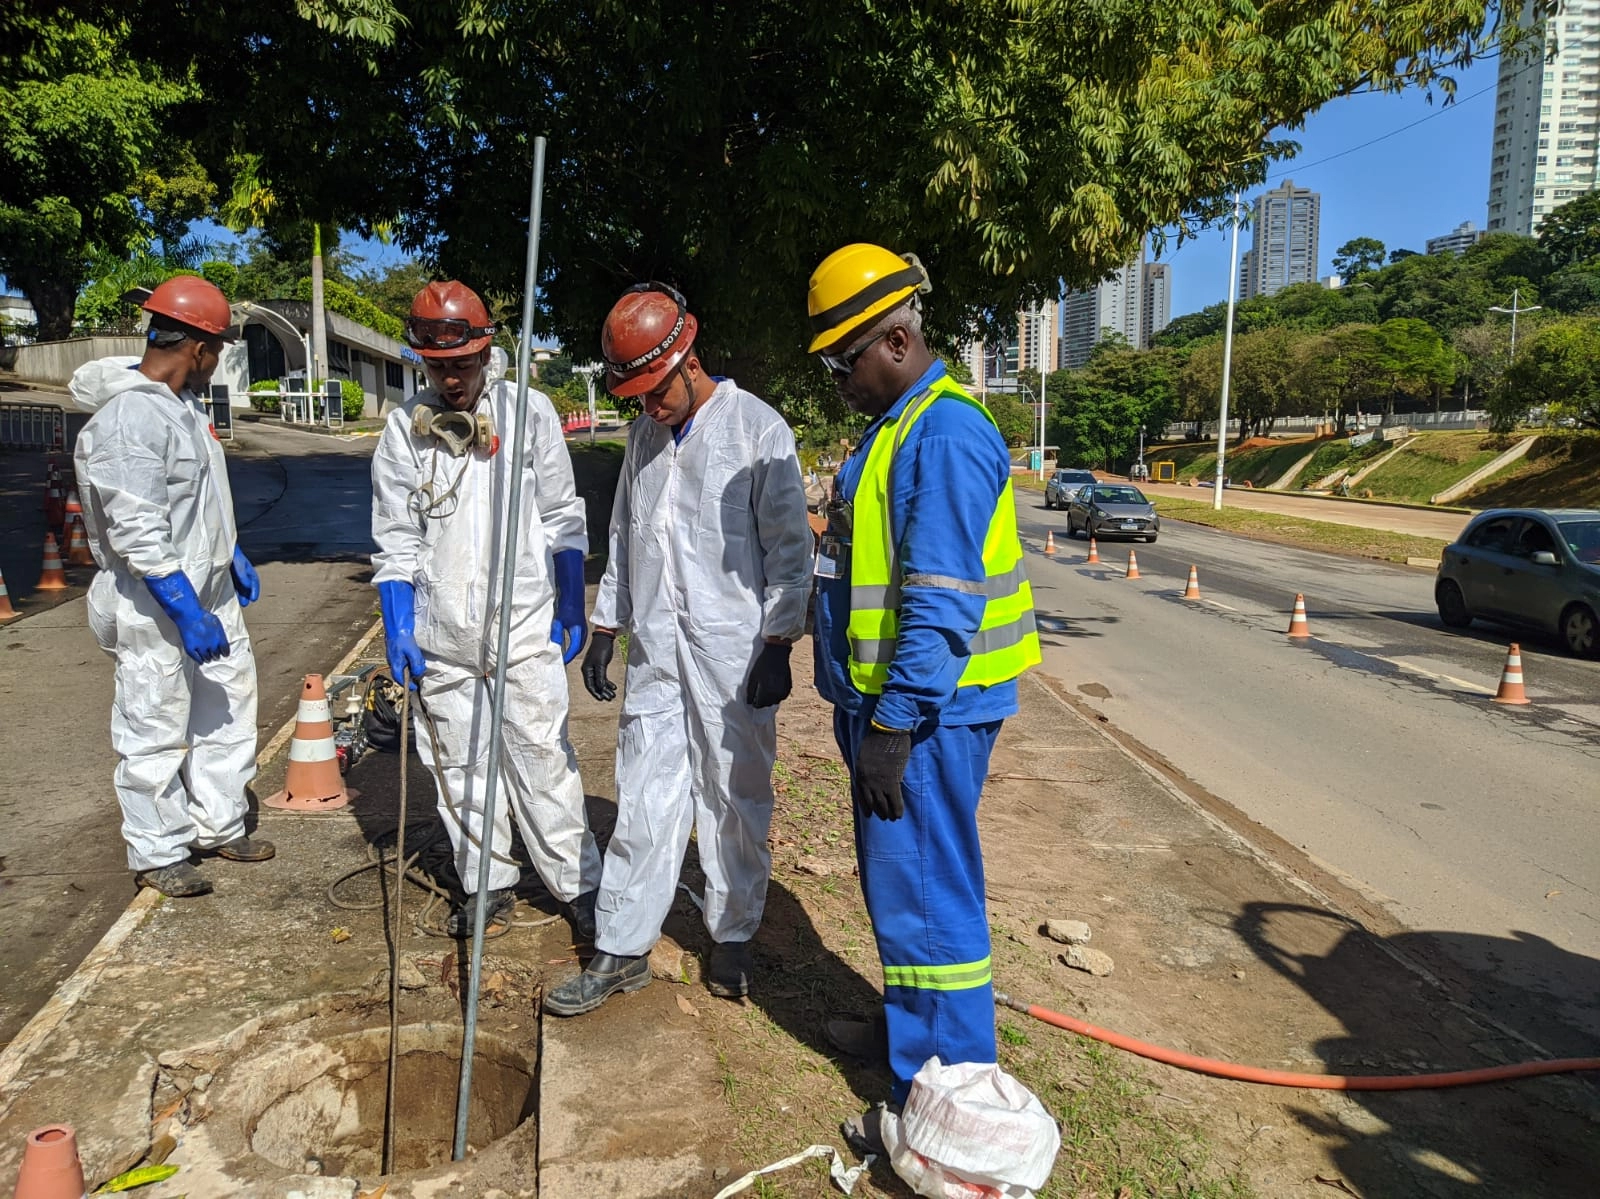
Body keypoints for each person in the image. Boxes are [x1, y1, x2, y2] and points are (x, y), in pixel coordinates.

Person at [804, 244, 1041, 1153]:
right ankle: (910, 1035)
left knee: (933, 898)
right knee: (899, 887)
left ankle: (939, 1089)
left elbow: (940, 600)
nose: (837, 382)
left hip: (929, 715)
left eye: (842, 362)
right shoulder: (898, 426)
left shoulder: (942, 434)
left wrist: (896, 721)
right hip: (892, 706)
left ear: (897, 339)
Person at [544, 283, 813, 1016]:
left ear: (687, 359)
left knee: (734, 793)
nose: (647, 406)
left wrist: (779, 642)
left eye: (654, 391)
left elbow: (790, 549)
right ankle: (623, 945)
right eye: (634, 395)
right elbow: (629, 535)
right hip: (659, 648)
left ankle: (731, 936)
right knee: (645, 786)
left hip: (735, 650)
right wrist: (608, 625)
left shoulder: (757, 430)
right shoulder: (643, 437)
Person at [370, 280, 601, 940]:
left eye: (461, 364)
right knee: (461, 767)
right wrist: (399, 623)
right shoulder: (403, 431)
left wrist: (569, 600)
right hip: (443, 632)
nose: (450, 380)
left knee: (541, 757)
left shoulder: (529, 414)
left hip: (522, 622)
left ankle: (578, 883)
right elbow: (396, 537)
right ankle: (487, 881)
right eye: (436, 366)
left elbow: (563, 516)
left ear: (484, 353)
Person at [71, 276, 273, 898]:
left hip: (208, 589)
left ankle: (218, 822)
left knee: (227, 708)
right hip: (152, 598)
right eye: (217, 351)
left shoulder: (182, 408)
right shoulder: (130, 417)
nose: (217, 363)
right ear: (199, 348)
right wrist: (184, 609)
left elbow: (193, 502)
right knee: (154, 721)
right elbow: (137, 530)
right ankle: (158, 848)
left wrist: (229, 550)